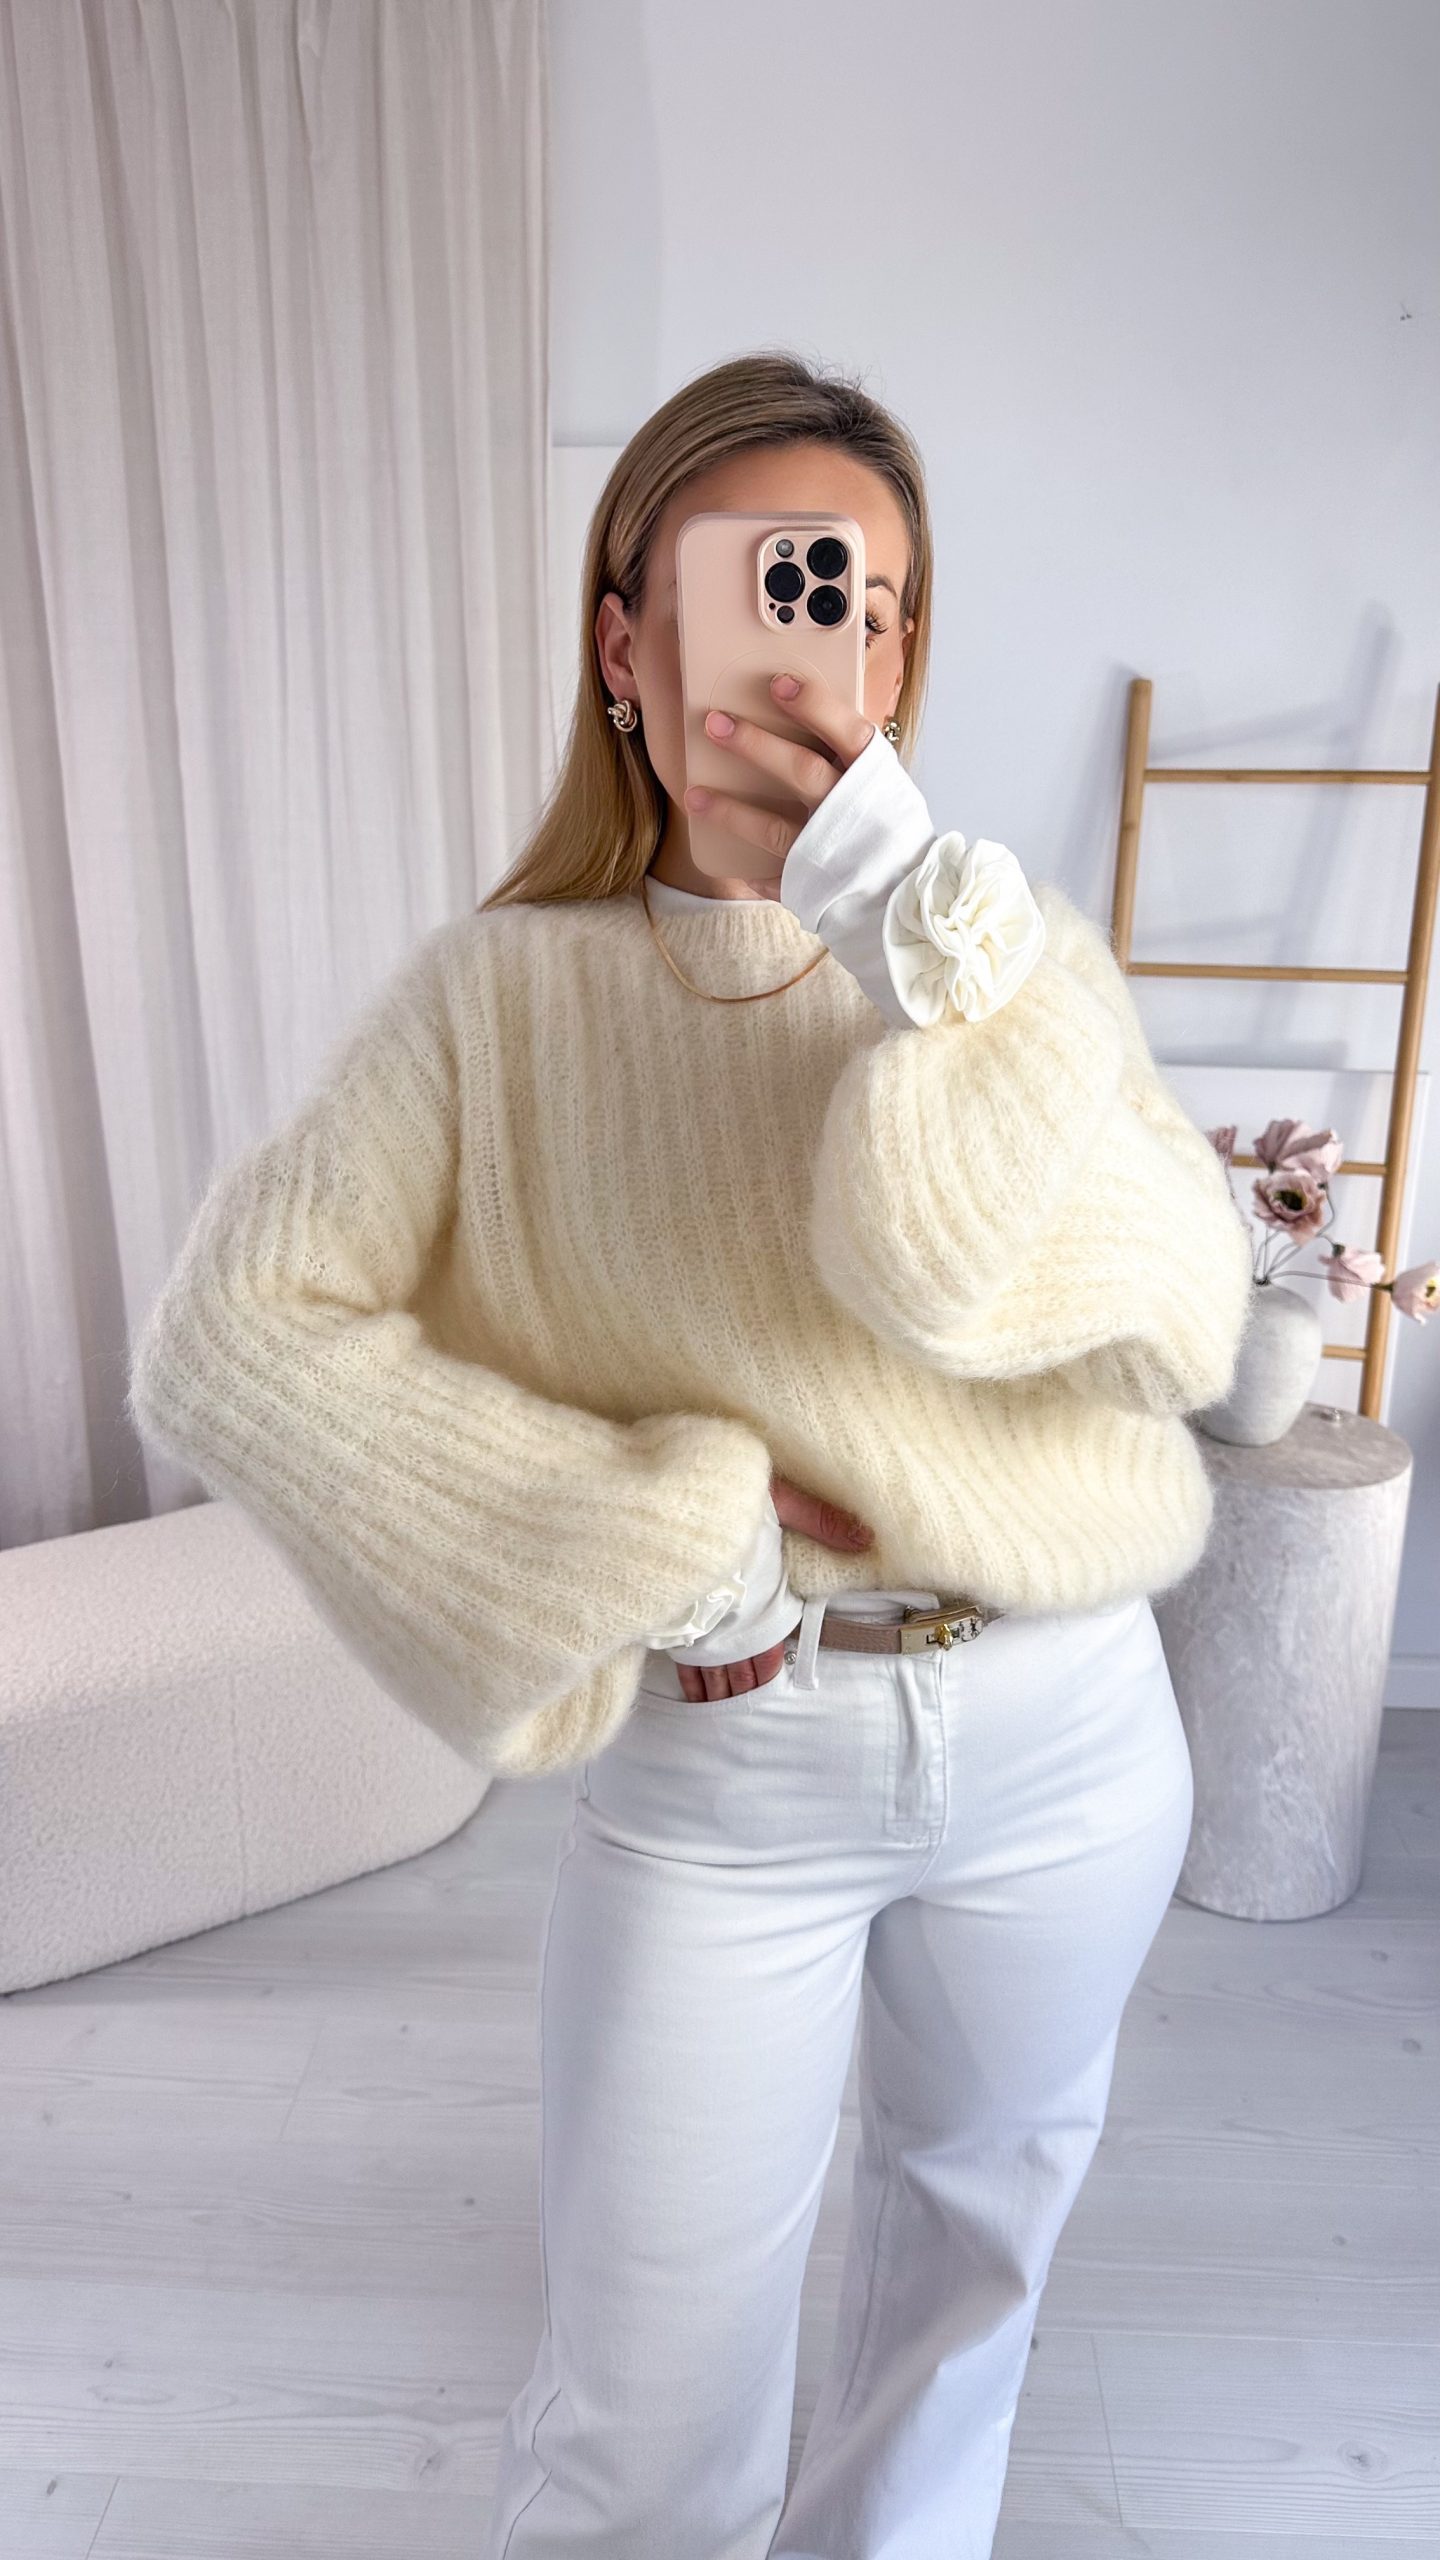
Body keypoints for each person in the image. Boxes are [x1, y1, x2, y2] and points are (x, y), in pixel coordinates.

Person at [127, 350, 1254, 2560]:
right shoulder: (495, 1001)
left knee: (971, 2287)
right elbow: (235, 1333)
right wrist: (647, 1535)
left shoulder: (1007, 963)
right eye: (767, 586)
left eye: (867, 604)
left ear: (902, 657)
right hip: (733, 1772)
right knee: (642, 2439)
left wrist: (928, 960)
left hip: (1075, 1729)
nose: (822, 645)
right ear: (627, 645)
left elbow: (1177, 1314)